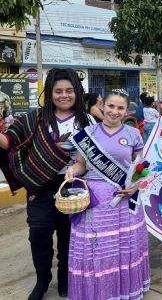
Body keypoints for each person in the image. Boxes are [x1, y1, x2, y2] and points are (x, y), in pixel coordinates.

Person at [0, 68, 93, 300]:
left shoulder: (87, 120)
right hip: (40, 186)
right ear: (49, 93)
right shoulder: (35, 118)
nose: (64, 95)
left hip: (72, 185)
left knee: (68, 236)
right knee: (38, 234)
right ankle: (43, 280)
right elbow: (7, 141)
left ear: (77, 93)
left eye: (69, 91)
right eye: (58, 91)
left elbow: (96, 155)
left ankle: (64, 277)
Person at [65, 89, 150, 300]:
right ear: (102, 106)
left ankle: (124, 291)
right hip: (96, 201)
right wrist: (72, 171)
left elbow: (142, 168)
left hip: (124, 198)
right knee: (96, 249)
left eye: (120, 108)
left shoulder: (133, 134)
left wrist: (134, 186)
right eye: (111, 106)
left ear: (125, 110)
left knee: (124, 246)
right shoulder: (88, 133)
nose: (114, 111)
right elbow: (80, 164)